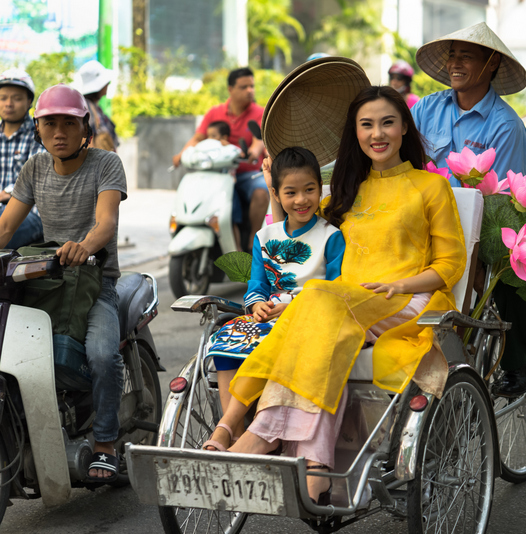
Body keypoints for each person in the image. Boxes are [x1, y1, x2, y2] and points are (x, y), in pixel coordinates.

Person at [212, 86, 465, 505]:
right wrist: (275, 187)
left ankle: (249, 432)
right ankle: (316, 469)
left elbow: (450, 265)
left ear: (405, 127)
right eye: (366, 125)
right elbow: (302, 235)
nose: (377, 133)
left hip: (405, 300)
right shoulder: (346, 191)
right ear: (355, 132)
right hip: (342, 301)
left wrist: (402, 284)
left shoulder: (429, 188)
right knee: (316, 311)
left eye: (387, 122)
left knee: (315, 300)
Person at [0, 84, 128, 479]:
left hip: (96, 280)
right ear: (37, 128)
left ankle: (106, 443)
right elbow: (6, 225)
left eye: (68, 124)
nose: (59, 132)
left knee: (103, 354)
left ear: (84, 127)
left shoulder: (106, 164)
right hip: (47, 280)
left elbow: (105, 222)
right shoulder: (35, 168)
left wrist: (83, 245)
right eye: (50, 123)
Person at [411, 22, 526, 395]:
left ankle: (517, 366)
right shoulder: (427, 109)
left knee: (513, 274)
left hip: (482, 226)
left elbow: (503, 203)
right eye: (452, 54)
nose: (455, 63)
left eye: (466, 55)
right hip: (423, 223)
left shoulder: (507, 126)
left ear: (491, 63)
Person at [203, 146, 345, 451]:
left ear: (320, 190)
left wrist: (292, 306)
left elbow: (336, 288)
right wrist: (256, 304)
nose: (301, 200)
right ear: (277, 195)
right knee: (226, 341)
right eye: (291, 192)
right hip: (267, 318)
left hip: (308, 320)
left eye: (309, 190)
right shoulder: (265, 237)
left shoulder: (331, 237)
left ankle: (224, 431)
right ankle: (236, 431)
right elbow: (257, 283)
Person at [173, 68, 267, 247]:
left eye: (252, 86)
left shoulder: (260, 113)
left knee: (262, 191)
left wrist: (253, 153)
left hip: (249, 174)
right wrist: (181, 154)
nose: (250, 90)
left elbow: (259, 140)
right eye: (243, 87)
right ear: (230, 89)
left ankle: (253, 241)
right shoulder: (215, 113)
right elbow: (197, 138)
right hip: (218, 174)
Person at [0, 69, 45, 248]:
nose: (9, 104)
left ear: (29, 102)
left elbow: (36, 181)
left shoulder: (40, 135)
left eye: (17, 98)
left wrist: (7, 194)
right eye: (3, 98)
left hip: (31, 213)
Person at [77, 60, 119, 152]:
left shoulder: (94, 107)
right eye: (106, 82)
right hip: (98, 163)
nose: (108, 84)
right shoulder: (87, 107)